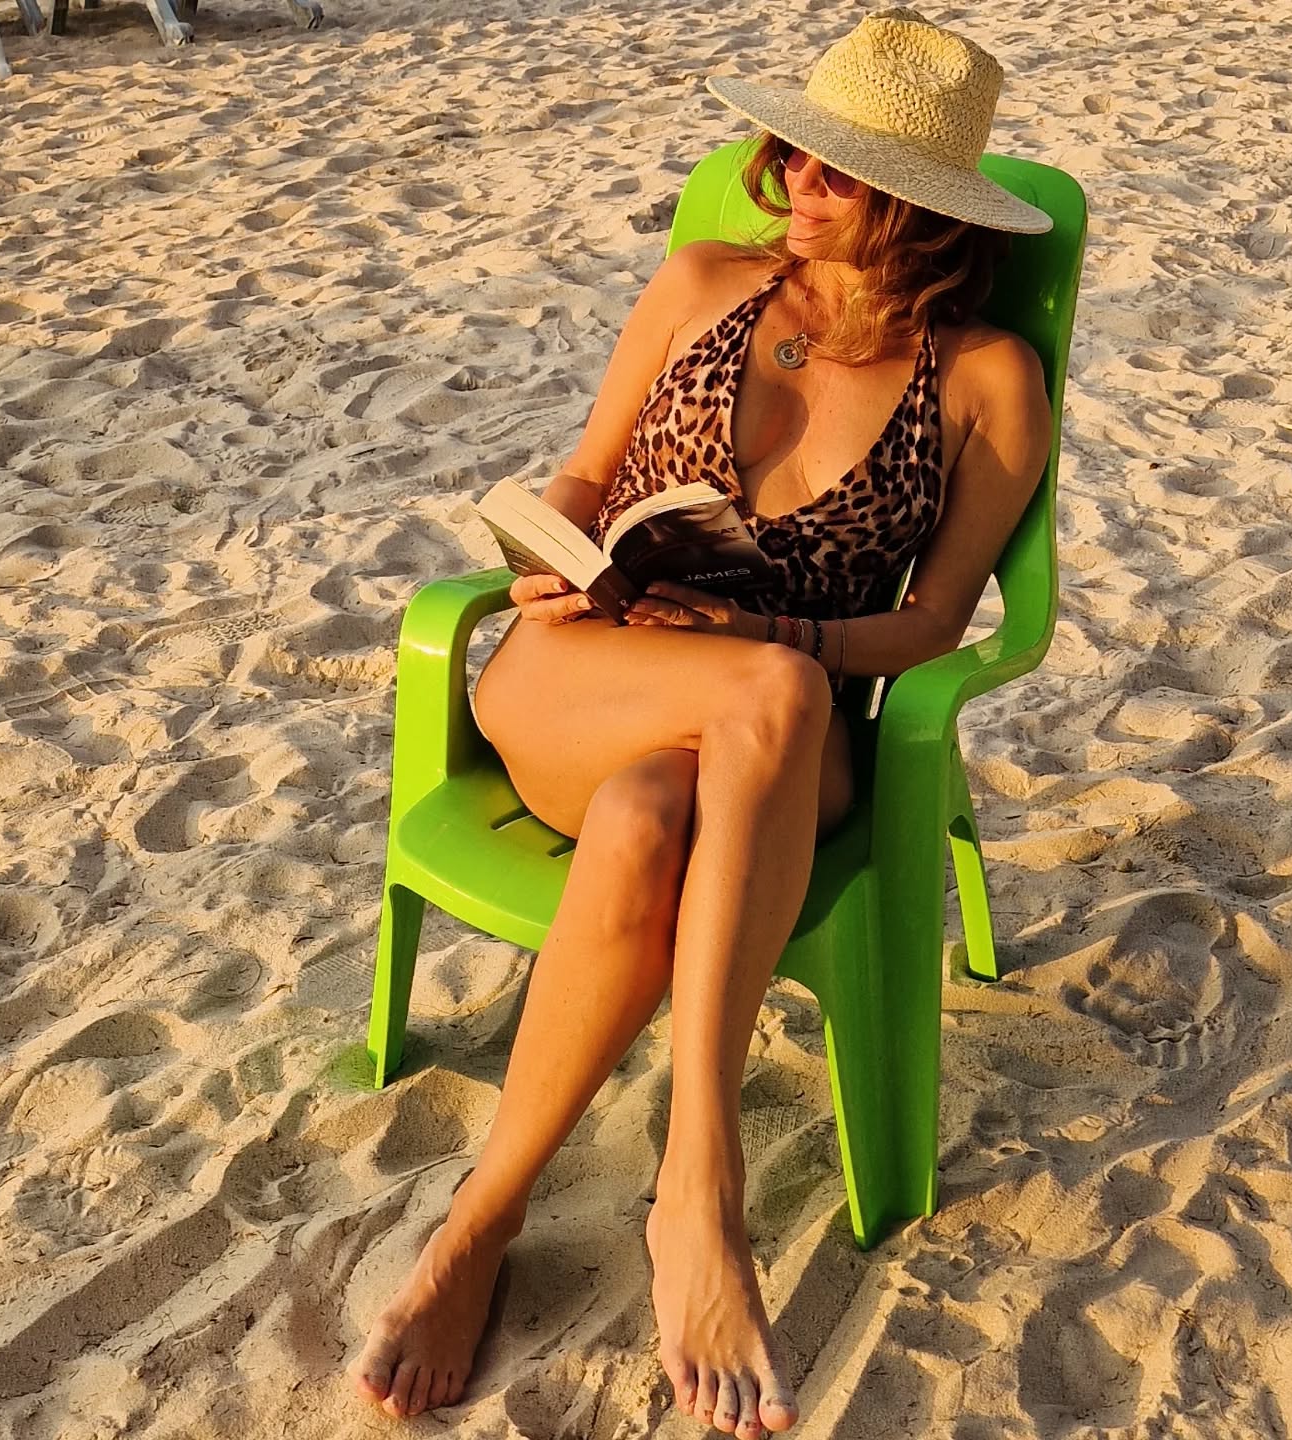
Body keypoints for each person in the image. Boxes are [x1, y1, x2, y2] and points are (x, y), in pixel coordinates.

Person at [350, 7, 1054, 1436]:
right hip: (583, 677)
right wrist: (549, 559)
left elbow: (935, 626)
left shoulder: (986, 381)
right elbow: (588, 474)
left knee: (662, 802)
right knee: (745, 704)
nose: (794, 180)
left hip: (778, 746)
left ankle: (483, 1219)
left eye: (836, 169)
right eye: (790, 150)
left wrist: (770, 635)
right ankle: (701, 1190)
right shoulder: (702, 284)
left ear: (918, 208)